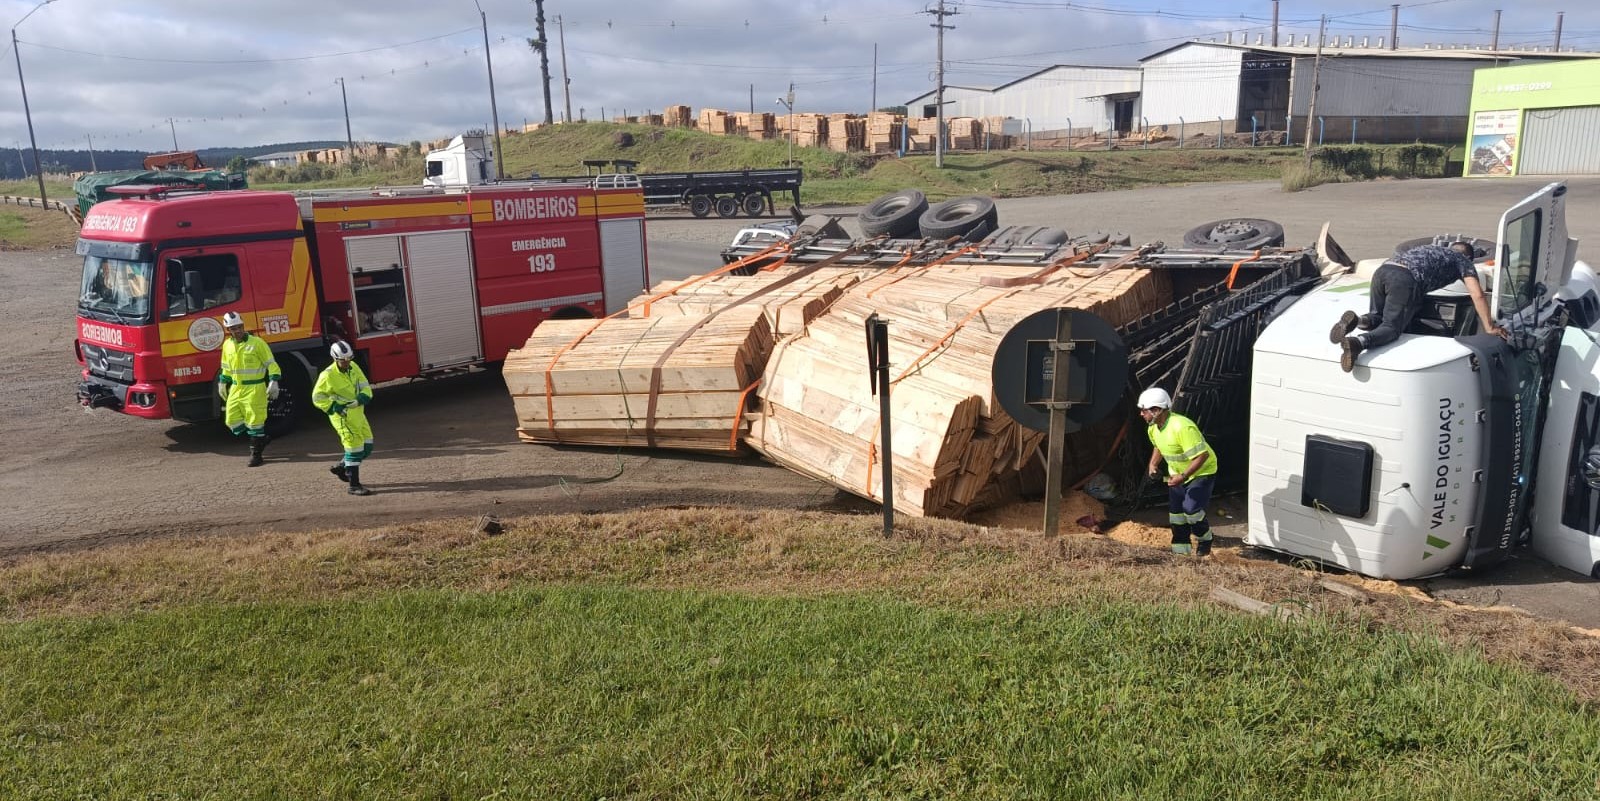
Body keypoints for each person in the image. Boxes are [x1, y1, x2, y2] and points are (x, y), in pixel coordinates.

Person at [1329, 241, 1505, 373]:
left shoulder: (1431, 249)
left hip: (1383, 271)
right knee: (1391, 328)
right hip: (1405, 280)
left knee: (1378, 315)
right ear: (1469, 257)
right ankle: (1357, 343)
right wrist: (1490, 327)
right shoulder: (1463, 261)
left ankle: (1358, 320)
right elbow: (1478, 294)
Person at [1140, 387, 1218, 556]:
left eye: (1144, 410)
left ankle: (1205, 540)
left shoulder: (1183, 427)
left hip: (1201, 473)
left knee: (1191, 510)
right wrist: (1153, 465)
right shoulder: (1153, 428)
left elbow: (1202, 456)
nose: (1141, 414)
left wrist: (1183, 476)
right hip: (1177, 475)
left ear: (1157, 410)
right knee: (1176, 515)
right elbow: (1158, 446)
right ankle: (1181, 553)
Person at [217, 311, 281, 467]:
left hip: (255, 388)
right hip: (236, 388)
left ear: (243, 325)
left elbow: (271, 363)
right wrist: (222, 381)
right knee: (232, 421)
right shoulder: (227, 345)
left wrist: (274, 381)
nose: (237, 330)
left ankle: (256, 455)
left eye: (239, 327)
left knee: (255, 422)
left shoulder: (257, 343)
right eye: (233, 328)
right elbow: (226, 366)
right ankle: (261, 439)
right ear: (228, 330)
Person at [312, 340, 375, 496]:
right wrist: (334, 407)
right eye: (343, 360)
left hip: (358, 412)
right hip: (342, 416)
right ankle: (354, 485)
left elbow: (365, 387)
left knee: (367, 446)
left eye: (349, 359)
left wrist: (360, 399)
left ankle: (343, 467)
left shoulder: (354, 367)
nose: (347, 362)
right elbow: (317, 397)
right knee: (354, 448)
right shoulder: (327, 375)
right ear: (335, 358)